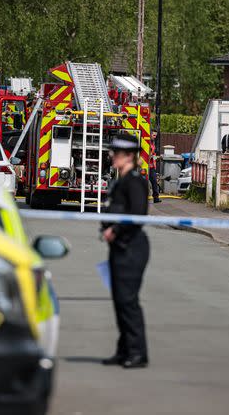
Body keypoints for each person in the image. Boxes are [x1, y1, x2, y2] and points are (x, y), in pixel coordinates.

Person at [101, 133, 150, 369]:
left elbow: (138, 215)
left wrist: (116, 230)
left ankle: (138, 353)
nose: (112, 156)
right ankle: (124, 351)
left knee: (128, 300)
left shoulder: (135, 181)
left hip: (131, 247)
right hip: (120, 247)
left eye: (116, 153)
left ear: (129, 156)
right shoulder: (120, 179)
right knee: (120, 300)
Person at [148, 130, 161, 203]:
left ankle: (156, 198)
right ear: (150, 135)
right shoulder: (148, 143)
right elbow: (148, 156)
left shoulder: (153, 143)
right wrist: (153, 157)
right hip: (148, 166)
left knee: (154, 182)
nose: (155, 137)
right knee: (153, 182)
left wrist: (157, 157)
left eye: (156, 135)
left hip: (152, 166)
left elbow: (152, 154)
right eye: (154, 135)